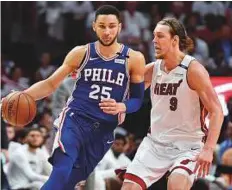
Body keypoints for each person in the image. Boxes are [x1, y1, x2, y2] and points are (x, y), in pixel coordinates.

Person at [2, 5, 145, 190]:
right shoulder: (81, 53)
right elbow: (50, 84)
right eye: (102, 26)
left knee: (70, 183)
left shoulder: (134, 58)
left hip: (103, 131)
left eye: (111, 26)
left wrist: (122, 106)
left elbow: (138, 100)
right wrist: (21, 96)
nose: (107, 31)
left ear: (119, 26)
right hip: (75, 120)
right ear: (94, 26)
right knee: (61, 173)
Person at [121, 17, 223, 190]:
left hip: (187, 145)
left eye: (160, 36)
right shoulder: (153, 69)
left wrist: (208, 148)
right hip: (155, 144)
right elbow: (124, 89)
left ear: (174, 40)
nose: (154, 41)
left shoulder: (192, 70)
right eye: (154, 36)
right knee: (129, 187)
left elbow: (216, 111)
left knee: (176, 184)